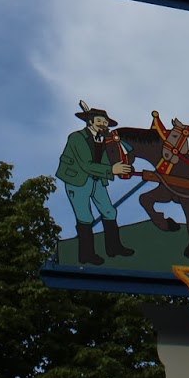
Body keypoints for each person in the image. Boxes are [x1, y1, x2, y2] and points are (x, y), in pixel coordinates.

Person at [56, 101, 134, 265]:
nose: (103, 124)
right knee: (85, 216)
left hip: (98, 180)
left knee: (109, 211)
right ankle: (86, 255)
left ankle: (114, 248)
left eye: (105, 122)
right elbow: (86, 164)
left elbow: (118, 153)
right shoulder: (76, 138)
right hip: (78, 180)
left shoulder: (106, 139)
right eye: (100, 121)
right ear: (90, 121)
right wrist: (113, 170)